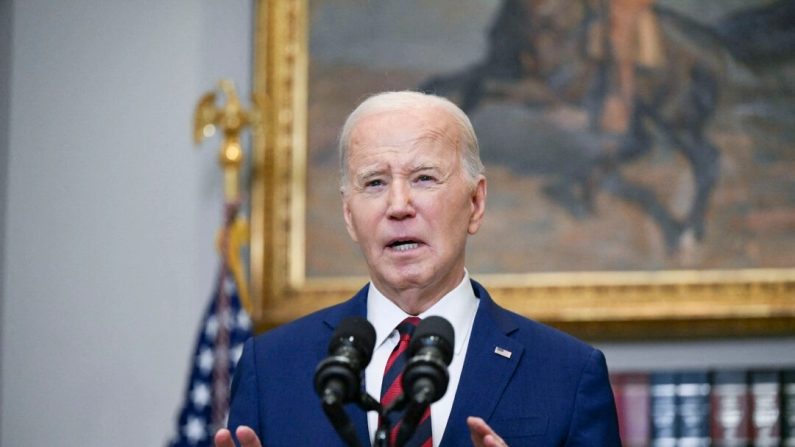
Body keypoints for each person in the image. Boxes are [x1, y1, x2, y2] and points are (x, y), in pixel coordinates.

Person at [214, 91, 621, 447]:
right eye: (374, 183)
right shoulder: (270, 368)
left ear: (475, 204)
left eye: (424, 178)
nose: (398, 205)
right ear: (349, 216)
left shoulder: (568, 374)